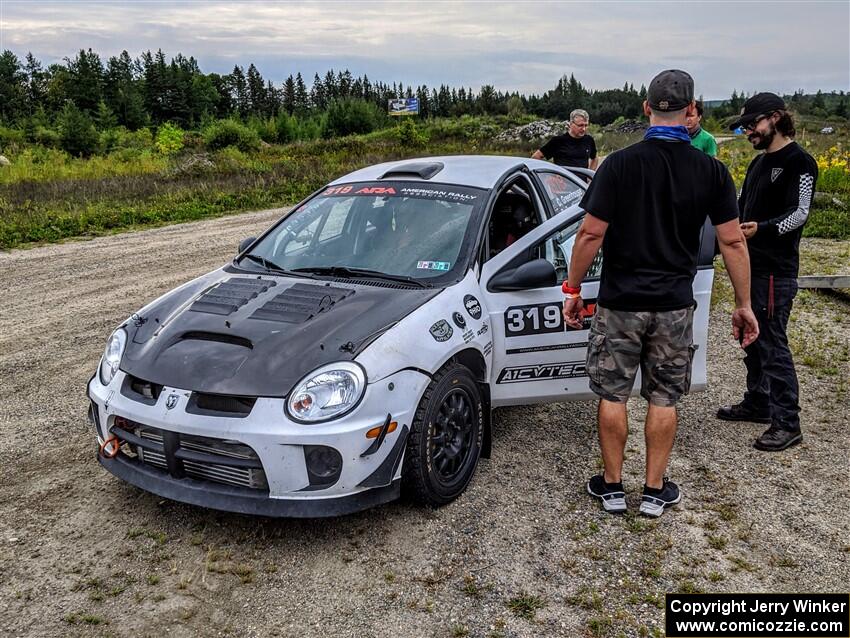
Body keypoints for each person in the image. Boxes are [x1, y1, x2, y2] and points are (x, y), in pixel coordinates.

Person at [562, 69, 758, 517]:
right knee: (663, 398)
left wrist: (572, 289)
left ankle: (611, 487)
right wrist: (744, 305)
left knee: (613, 395)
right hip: (672, 304)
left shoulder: (618, 164)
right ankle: (653, 490)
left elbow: (590, 234)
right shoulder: (711, 170)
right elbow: (731, 241)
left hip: (620, 303)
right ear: (691, 111)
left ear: (647, 109)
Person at [716, 93, 817, 452]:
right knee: (752, 339)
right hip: (751, 267)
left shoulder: (800, 162)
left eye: (752, 124)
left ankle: (787, 422)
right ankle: (758, 402)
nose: (748, 132)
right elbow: (739, 206)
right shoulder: (759, 164)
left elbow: (800, 212)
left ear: (775, 118)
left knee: (773, 343)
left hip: (776, 271)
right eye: (744, 126)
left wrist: (764, 228)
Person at [532, 109, 599, 171]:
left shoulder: (589, 140)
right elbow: (536, 157)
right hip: (563, 182)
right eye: (580, 125)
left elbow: (595, 158)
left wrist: (590, 175)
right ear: (571, 124)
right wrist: (548, 174)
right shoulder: (558, 141)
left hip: (581, 183)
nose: (584, 129)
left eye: (586, 125)